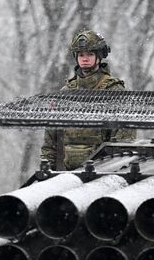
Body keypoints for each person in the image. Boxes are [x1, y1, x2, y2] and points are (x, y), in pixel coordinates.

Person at [40, 29, 134, 170]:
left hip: (103, 170)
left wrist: (116, 169)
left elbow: (124, 138)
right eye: (81, 54)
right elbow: (51, 137)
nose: (85, 58)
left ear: (99, 56)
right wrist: (48, 166)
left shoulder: (113, 91)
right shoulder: (66, 92)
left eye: (90, 54)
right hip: (67, 172)